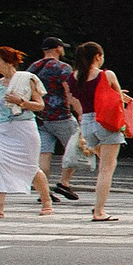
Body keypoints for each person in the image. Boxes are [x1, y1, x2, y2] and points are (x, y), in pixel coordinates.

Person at [0, 48, 53, 218]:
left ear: (8, 62)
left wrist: (20, 101)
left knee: (30, 166)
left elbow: (40, 105)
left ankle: (46, 202)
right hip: (1, 129)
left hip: (23, 128)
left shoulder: (26, 79)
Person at [68, 42, 126, 222]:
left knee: (104, 165)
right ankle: (99, 210)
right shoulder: (106, 74)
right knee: (106, 169)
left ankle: (99, 207)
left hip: (86, 123)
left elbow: (80, 97)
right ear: (97, 57)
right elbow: (120, 100)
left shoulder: (74, 76)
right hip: (105, 122)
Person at [29, 37, 80, 203]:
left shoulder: (33, 67)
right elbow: (69, 91)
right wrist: (79, 111)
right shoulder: (62, 68)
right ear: (58, 48)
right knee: (75, 148)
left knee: (44, 153)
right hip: (61, 116)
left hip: (41, 117)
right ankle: (64, 182)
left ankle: (43, 189)